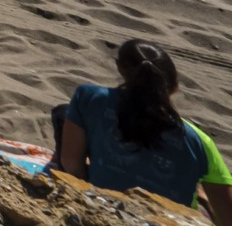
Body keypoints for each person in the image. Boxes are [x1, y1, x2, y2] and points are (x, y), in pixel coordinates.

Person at [55, 41, 232, 219]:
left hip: (103, 212)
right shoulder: (198, 142)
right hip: (171, 220)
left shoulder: (89, 98)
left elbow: (73, 167)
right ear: (175, 86)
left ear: (119, 68)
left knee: (63, 114)